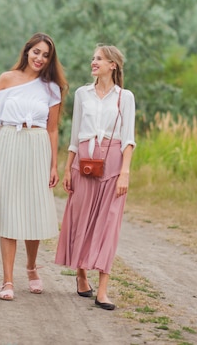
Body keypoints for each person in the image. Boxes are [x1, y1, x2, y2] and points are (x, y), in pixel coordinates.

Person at [0, 32, 68, 301]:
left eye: (46, 55)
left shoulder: (52, 87)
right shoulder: (7, 79)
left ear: (50, 59)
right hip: (8, 145)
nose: (40, 58)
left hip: (38, 147)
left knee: (34, 211)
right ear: (27, 51)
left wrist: (54, 165)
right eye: (36, 52)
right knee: (9, 212)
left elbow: (53, 130)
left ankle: (31, 268)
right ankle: (7, 281)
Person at [55, 44, 136, 311]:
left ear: (113, 65)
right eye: (92, 58)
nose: (93, 62)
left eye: (99, 59)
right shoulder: (82, 94)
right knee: (81, 220)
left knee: (108, 225)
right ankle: (81, 275)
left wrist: (125, 172)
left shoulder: (125, 97)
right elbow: (75, 133)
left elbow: (129, 140)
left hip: (112, 166)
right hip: (83, 163)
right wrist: (68, 168)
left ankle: (102, 291)